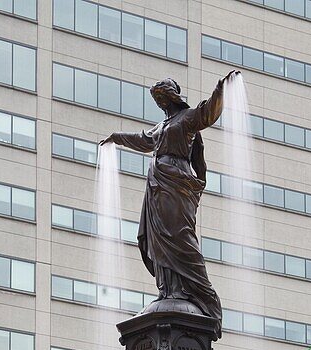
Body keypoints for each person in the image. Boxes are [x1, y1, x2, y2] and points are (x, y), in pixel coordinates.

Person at [101, 71, 240, 335]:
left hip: (177, 182)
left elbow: (207, 113)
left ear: (172, 96)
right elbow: (142, 140)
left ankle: (203, 295)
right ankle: (169, 289)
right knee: (157, 238)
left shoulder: (186, 119)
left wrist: (221, 91)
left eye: (162, 98)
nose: (160, 103)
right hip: (157, 185)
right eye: (157, 100)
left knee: (179, 235)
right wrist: (116, 137)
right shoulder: (161, 126)